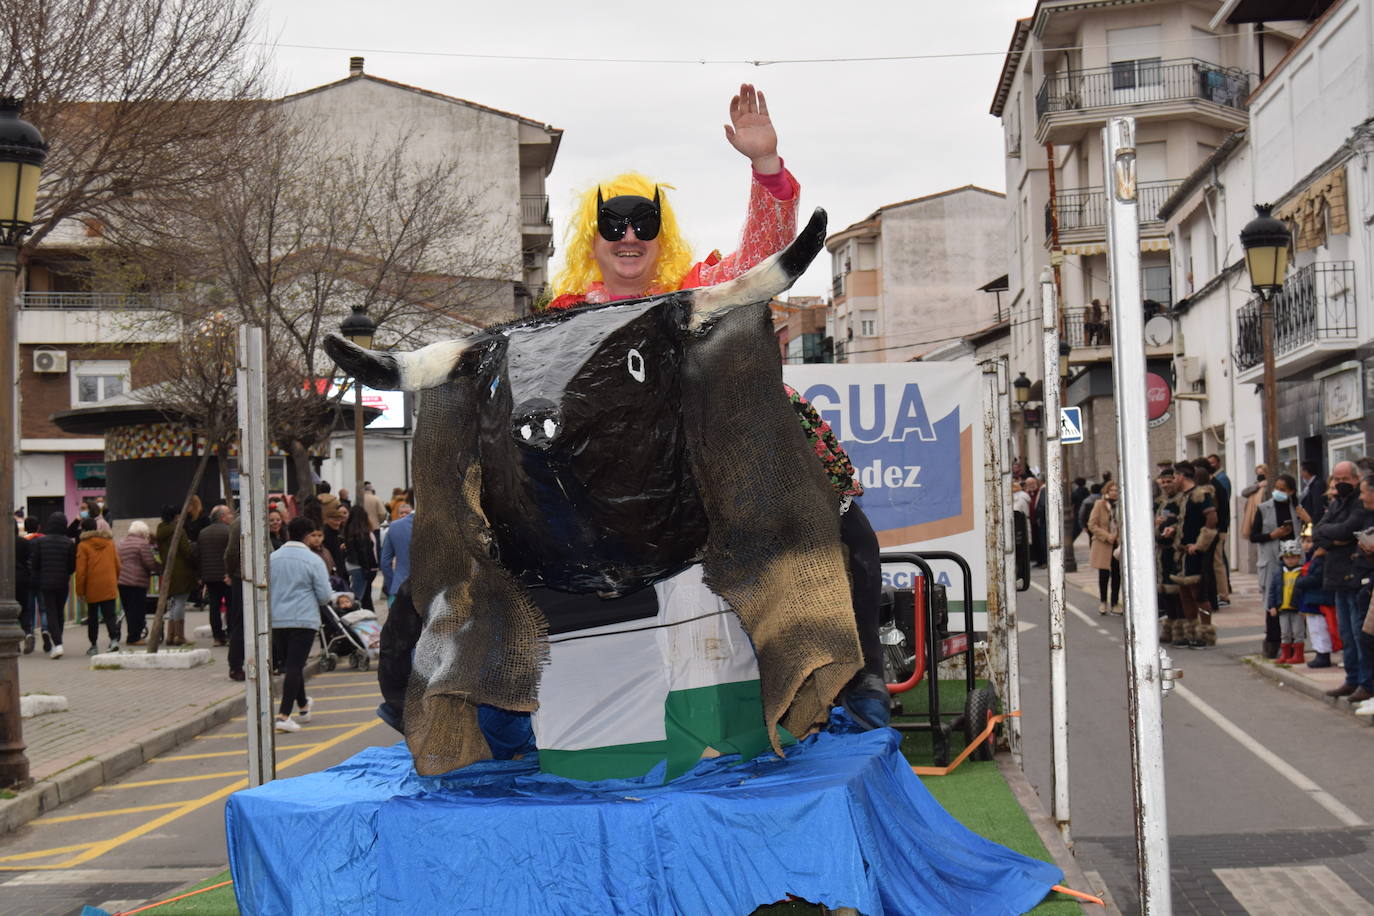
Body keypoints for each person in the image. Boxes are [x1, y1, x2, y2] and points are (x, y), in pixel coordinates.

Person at [546, 84, 797, 310]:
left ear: (663, 241)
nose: (630, 237)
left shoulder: (699, 295)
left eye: (645, 224)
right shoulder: (563, 317)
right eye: (613, 225)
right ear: (591, 245)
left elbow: (762, 267)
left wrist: (765, 162)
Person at [1311, 461, 1374, 701]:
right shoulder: (1337, 502)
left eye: (1345, 479)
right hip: (1336, 574)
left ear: (1357, 479)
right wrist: (1333, 540)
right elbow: (1319, 531)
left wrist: (1336, 538)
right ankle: (1352, 678)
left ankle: (1365, 682)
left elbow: (1349, 530)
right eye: (1336, 480)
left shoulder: (1361, 503)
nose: (1339, 484)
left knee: (1360, 634)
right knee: (1346, 632)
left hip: (1356, 574)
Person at [268, 517, 333, 732]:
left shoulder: (272, 558)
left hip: (277, 619)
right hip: (303, 619)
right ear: (307, 536)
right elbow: (324, 596)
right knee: (295, 667)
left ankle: (303, 706)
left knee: (291, 664)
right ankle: (283, 715)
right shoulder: (313, 560)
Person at [1169, 462, 1218, 648]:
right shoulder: (1183, 497)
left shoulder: (1201, 494)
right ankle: (1190, 632)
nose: (1173, 481)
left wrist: (1199, 544)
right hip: (1181, 552)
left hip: (1195, 551)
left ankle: (1205, 633)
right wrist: (1172, 530)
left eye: (1174, 477)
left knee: (1199, 594)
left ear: (1182, 476)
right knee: (1185, 593)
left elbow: (1212, 518)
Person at [1250, 473, 1297, 658]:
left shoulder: (1296, 508)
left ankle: (1293, 642)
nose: (1279, 492)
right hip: (1270, 560)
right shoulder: (1264, 508)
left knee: (1292, 603)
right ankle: (1272, 642)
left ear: (1291, 491)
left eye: (1283, 490)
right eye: (1277, 488)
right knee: (1273, 603)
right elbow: (1254, 536)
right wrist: (1272, 535)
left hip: (1292, 560)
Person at [31, 512, 76, 658]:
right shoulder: (69, 543)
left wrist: (39, 576)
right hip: (62, 582)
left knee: (50, 612)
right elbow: (72, 567)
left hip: (46, 582)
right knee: (59, 612)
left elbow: (35, 563)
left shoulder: (40, 542)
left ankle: (58, 644)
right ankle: (58, 642)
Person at [75, 516, 122, 654]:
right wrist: (114, 580)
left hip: (92, 586)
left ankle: (94, 646)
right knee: (110, 615)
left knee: (93, 617)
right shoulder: (109, 543)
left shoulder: (83, 545)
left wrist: (80, 591)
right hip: (109, 583)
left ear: (83, 529)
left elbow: (81, 572)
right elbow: (118, 565)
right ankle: (113, 641)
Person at [154, 505, 198, 646]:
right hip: (181, 570)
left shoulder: (160, 530)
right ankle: (179, 636)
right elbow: (186, 551)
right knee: (180, 602)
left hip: (168, 569)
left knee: (173, 603)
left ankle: (170, 635)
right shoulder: (179, 530)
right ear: (175, 516)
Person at [1294, 525, 1336, 669]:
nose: (1308, 545)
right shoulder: (1313, 559)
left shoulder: (1322, 560)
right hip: (1312, 599)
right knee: (1314, 629)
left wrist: (1299, 582)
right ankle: (1319, 652)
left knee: (1320, 628)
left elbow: (1316, 578)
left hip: (1318, 600)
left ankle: (1323, 654)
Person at [194, 505, 234, 647]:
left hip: (209, 577)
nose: (231, 516)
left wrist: (200, 575)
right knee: (230, 606)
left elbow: (198, 555)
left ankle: (217, 637)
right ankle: (230, 634)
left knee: (214, 607)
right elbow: (232, 554)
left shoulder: (203, 533)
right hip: (226, 576)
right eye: (229, 514)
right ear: (222, 517)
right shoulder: (229, 531)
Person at [117, 520, 160, 647]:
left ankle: (131, 635)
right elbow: (149, 562)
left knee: (129, 610)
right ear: (142, 532)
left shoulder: (120, 543)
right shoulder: (142, 544)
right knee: (138, 610)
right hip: (137, 582)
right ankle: (134, 637)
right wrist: (159, 567)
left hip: (122, 581)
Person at [1266, 540, 1307, 664]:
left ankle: (1298, 655)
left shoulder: (1302, 572)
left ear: (1299, 557)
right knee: (1285, 633)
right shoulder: (1279, 572)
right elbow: (1272, 590)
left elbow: (1305, 592)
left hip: (1297, 609)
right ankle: (1285, 654)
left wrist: (1304, 608)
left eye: (1293, 557)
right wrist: (1272, 605)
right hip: (1282, 608)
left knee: (1298, 632)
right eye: (1287, 557)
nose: (1290, 560)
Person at [1088, 481, 1122, 615]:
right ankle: (1103, 602)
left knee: (1117, 574)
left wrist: (1118, 535)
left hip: (1117, 544)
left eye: (1116, 490)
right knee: (1103, 574)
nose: (1114, 492)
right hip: (1103, 543)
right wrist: (1107, 536)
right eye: (1112, 490)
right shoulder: (1100, 504)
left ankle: (1115, 603)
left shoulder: (1121, 505)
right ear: (1106, 491)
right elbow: (1092, 524)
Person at [343, 504, 379, 611]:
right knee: (358, 596)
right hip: (361, 567)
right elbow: (364, 553)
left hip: (351, 564)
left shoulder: (348, 531)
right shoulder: (363, 534)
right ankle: (353, 613)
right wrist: (367, 569)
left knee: (359, 594)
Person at [380, 506, 414, 602]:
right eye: (401, 513)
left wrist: (392, 585)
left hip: (400, 585)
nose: (403, 515)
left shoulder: (394, 527)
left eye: (406, 512)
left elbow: (384, 563)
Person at [1022, 476, 1046, 567]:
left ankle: (1044, 561)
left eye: (1033, 483)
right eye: (1029, 484)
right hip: (1030, 522)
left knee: (1042, 541)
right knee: (1035, 542)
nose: (1031, 485)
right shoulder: (1026, 493)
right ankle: (1039, 560)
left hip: (1039, 521)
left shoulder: (1040, 491)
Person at [1299, 460, 1327, 527]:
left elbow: (1318, 507)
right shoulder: (1309, 485)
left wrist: (1313, 525)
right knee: (1303, 537)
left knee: (1308, 537)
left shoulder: (1317, 485)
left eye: (1301, 471)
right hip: (1307, 521)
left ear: (1306, 471)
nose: (1300, 474)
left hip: (1312, 523)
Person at [1070, 477, 1090, 545]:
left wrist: (1072, 513)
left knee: (1076, 529)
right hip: (1087, 512)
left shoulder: (1075, 493)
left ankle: (1072, 541)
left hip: (1077, 511)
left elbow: (1073, 504)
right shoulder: (1087, 491)